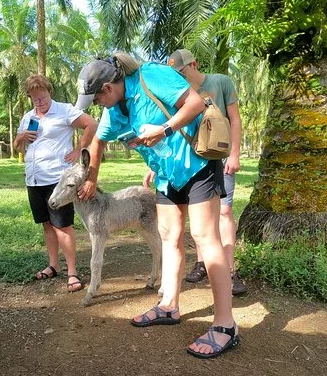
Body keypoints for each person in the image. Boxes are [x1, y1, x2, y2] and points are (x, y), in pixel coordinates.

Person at [75, 52, 239, 359]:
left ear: (108, 88)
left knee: (205, 237)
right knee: (169, 235)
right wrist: (92, 180)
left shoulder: (150, 76)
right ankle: (169, 305)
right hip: (166, 174)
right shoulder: (114, 110)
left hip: (197, 162)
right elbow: (97, 142)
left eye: (96, 99)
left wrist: (164, 129)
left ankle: (225, 325)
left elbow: (194, 103)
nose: (98, 106)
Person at [168, 49, 246, 296]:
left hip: (219, 155)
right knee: (198, 215)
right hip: (192, 160)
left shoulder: (220, 82)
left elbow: (235, 119)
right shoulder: (177, 90)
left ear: (194, 64)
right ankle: (202, 263)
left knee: (224, 211)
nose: (180, 76)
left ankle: (230, 270)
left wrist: (234, 154)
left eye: (182, 71)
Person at [14, 74, 97, 292]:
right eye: (35, 99)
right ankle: (53, 265)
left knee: (62, 226)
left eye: (43, 97)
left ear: (49, 92)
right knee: (47, 224)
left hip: (57, 180)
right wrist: (21, 137)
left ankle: (72, 272)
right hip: (34, 179)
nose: (40, 102)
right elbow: (17, 146)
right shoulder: (28, 117)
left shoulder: (64, 110)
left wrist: (79, 149)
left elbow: (91, 124)